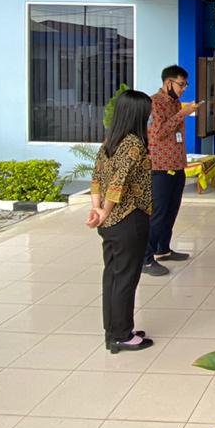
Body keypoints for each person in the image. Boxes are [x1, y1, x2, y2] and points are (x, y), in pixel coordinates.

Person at [87, 89, 155, 354]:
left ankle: (114, 331)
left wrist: (97, 210)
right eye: (148, 114)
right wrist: (104, 210)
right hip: (129, 219)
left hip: (110, 224)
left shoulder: (110, 142)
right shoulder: (134, 144)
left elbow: (96, 178)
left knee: (113, 276)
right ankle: (122, 335)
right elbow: (119, 182)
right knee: (126, 277)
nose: (150, 118)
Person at [144, 65, 200, 275]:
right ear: (168, 83)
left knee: (171, 211)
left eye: (185, 85)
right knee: (158, 213)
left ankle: (163, 249)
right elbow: (157, 133)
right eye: (181, 84)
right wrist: (182, 114)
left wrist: (181, 112)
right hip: (160, 167)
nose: (184, 89)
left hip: (177, 165)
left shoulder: (175, 103)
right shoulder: (154, 103)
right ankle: (145, 259)